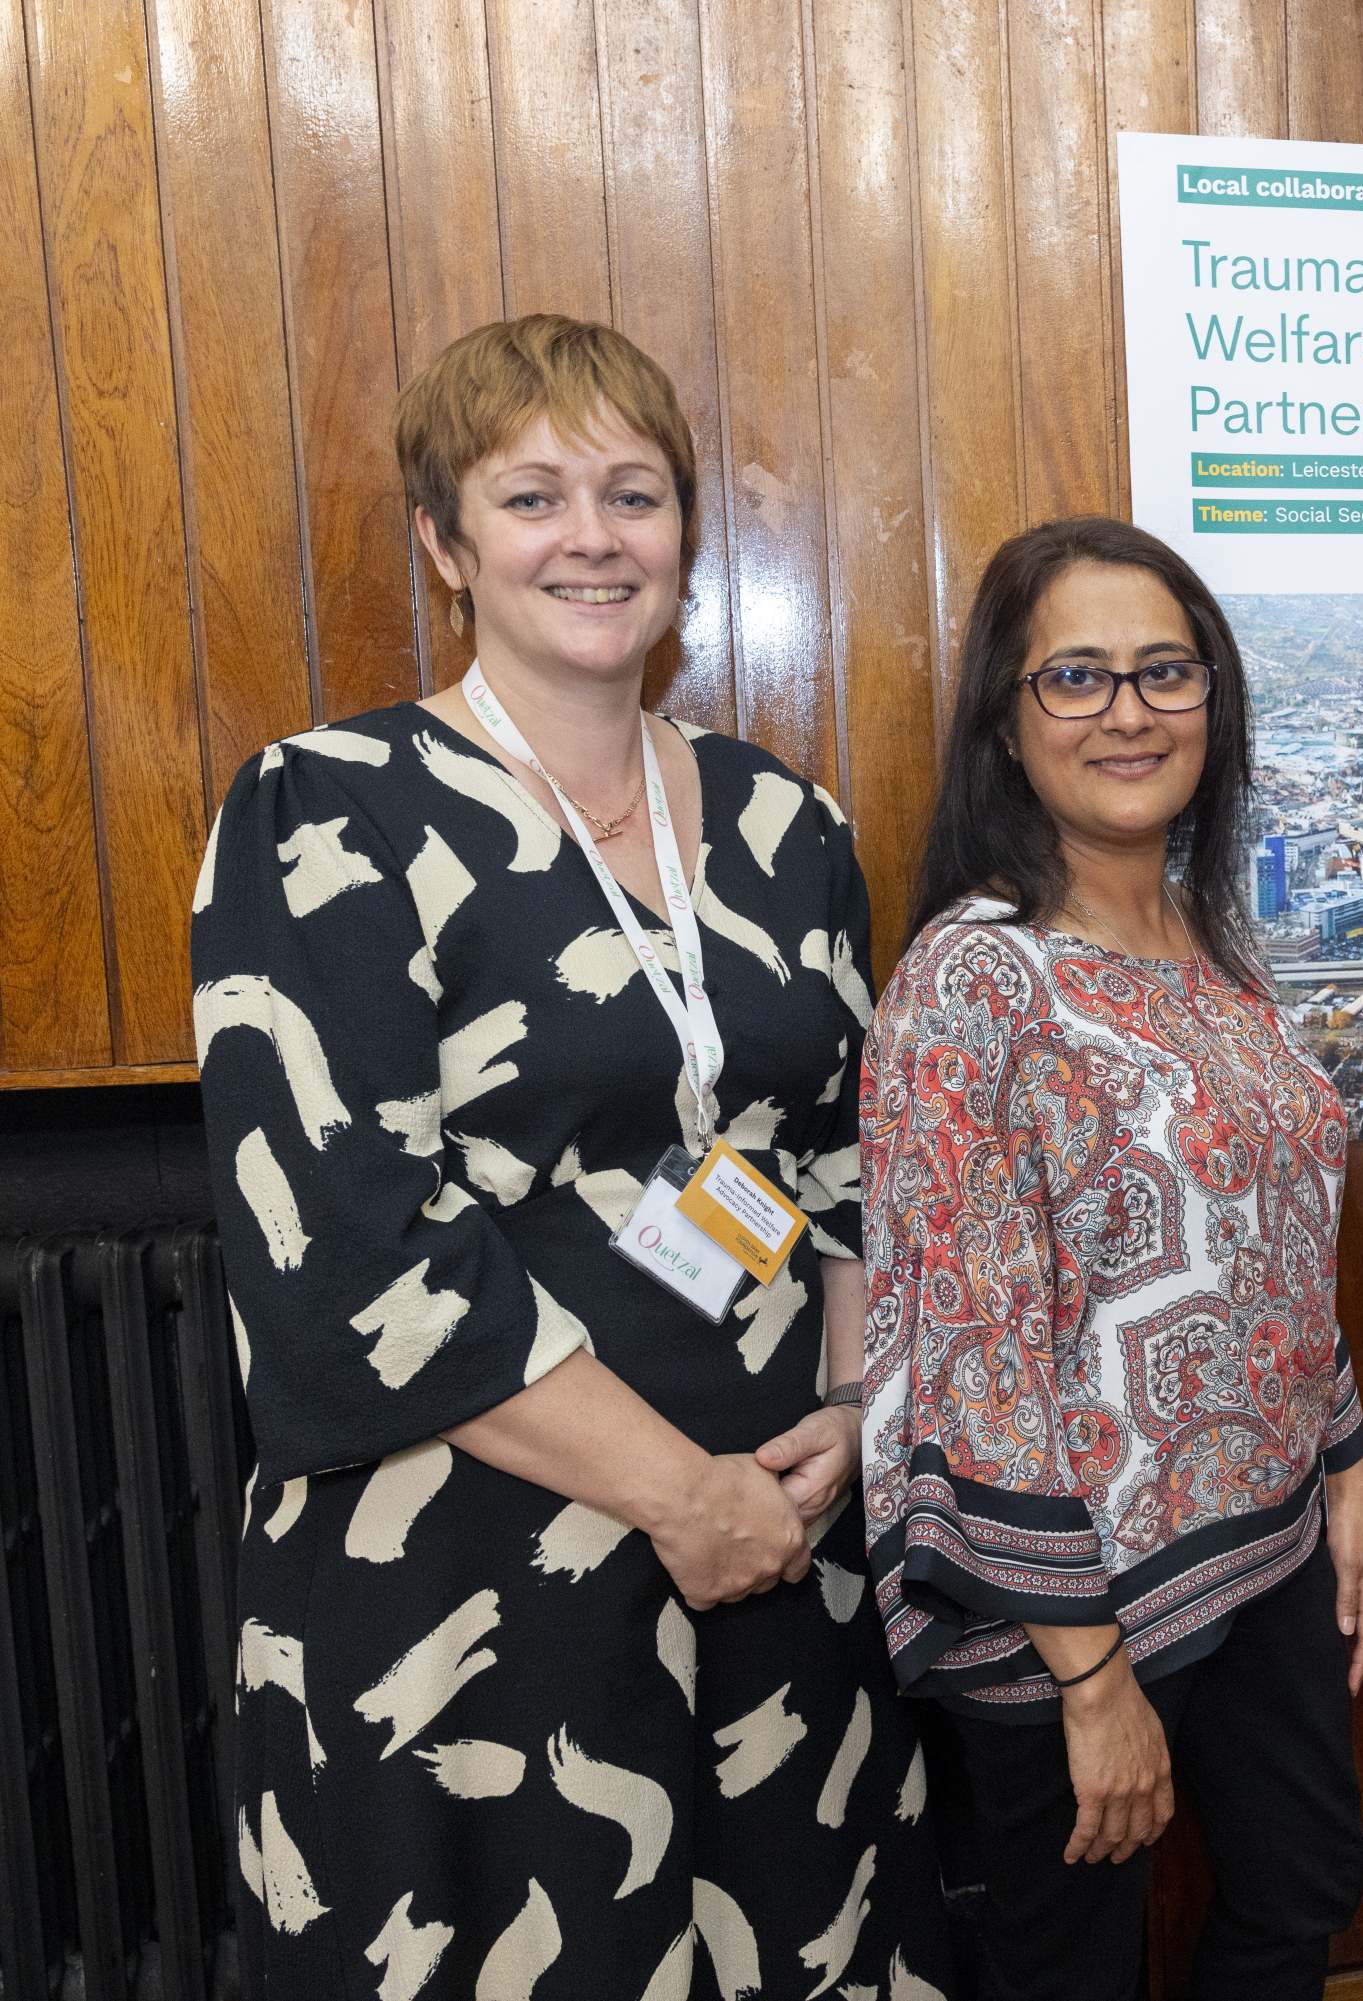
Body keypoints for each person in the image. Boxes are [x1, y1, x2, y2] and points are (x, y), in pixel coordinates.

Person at [191, 314, 946, 1998]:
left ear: (686, 533)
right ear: (447, 548)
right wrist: (683, 1496)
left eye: (633, 490)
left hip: (774, 1558)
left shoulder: (784, 827)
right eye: (531, 496)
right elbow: (350, 1254)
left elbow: (835, 1169)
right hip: (469, 1579)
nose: (593, 535)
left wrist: (841, 1417)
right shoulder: (329, 810)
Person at [857, 516, 1363, 2001]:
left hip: (1264, 1533)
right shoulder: (975, 976)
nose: (1130, 710)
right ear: (1006, 730)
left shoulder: (1213, 944)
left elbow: (1272, 1241)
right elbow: (975, 1352)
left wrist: (1347, 1464)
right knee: (1066, 1972)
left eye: (1166, 670)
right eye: (1075, 677)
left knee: (1301, 1890)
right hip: (1066, 1595)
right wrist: (1089, 1679)